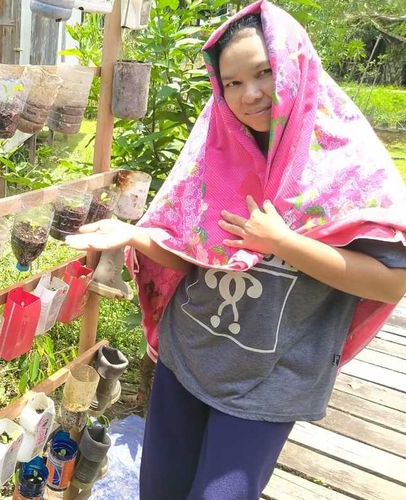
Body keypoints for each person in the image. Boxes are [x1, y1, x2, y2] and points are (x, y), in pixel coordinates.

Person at [65, 1, 406, 499]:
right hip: (190, 356)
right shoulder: (220, 146)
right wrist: (136, 235)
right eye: (232, 83)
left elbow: (392, 279)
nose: (249, 95)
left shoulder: (348, 166)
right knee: (159, 489)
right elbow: (190, 255)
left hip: (269, 384)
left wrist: (283, 242)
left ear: (294, 68)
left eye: (264, 73)